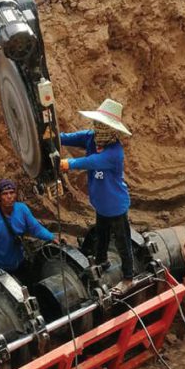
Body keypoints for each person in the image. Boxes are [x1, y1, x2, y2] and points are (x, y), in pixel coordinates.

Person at [58, 98, 135, 294]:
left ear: (112, 130)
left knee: (122, 241)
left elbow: (92, 161)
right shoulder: (91, 138)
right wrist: (53, 137)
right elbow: (69, 138)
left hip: (116, 206)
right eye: (97, 124)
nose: (98, 128)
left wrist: (68, 163)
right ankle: (102, 261)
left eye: (102, 125)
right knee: (101, 236)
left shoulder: (114, 153)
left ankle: (128, 278)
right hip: (101, 205)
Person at [0, 179, 58, 280]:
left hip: (19, 261)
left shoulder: (22, 210)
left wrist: (51, 237)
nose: (9, 197)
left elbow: (36, 228)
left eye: (12, 193)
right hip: (0, 267)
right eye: (5, 194)